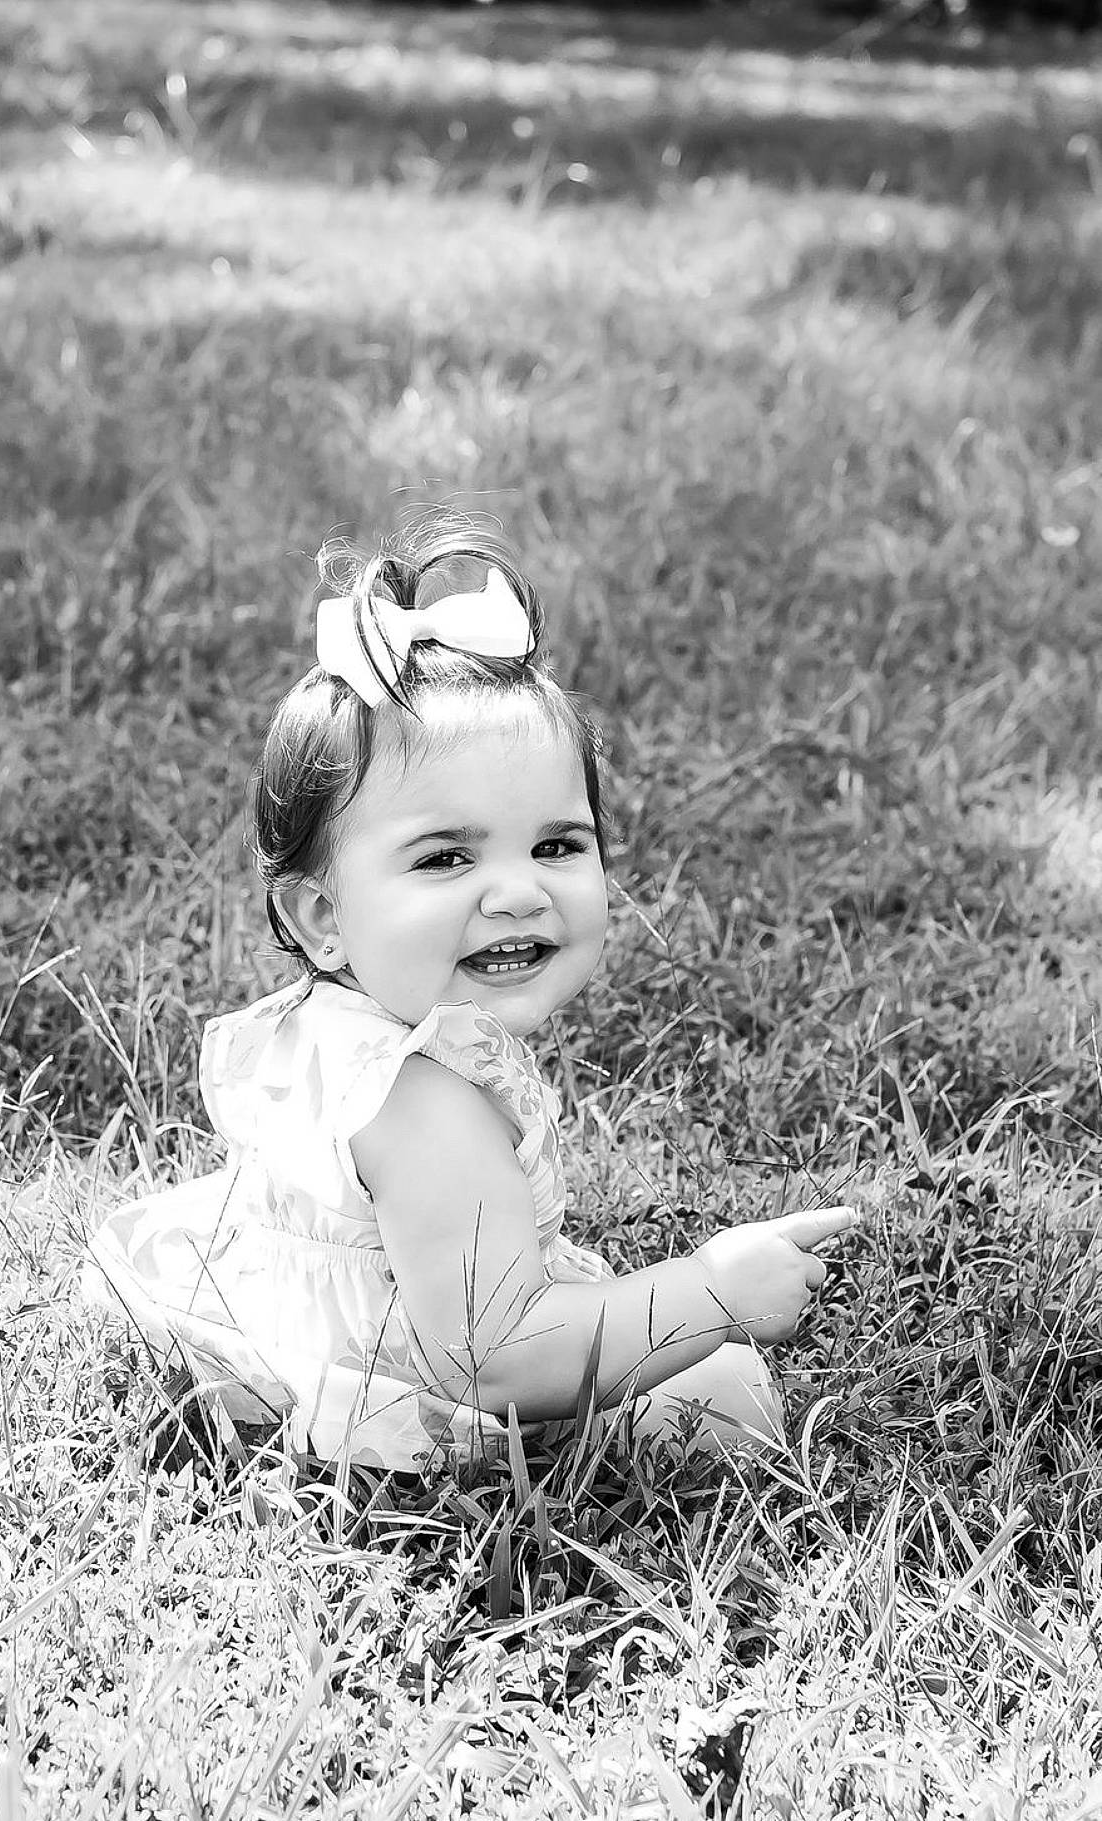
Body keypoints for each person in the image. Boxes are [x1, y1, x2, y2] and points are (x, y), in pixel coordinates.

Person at [83, 520, 857, 1472]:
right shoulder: (428, 1104)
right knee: (728, 1393)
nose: (518, 890)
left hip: (321, 1302)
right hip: (401, 1386)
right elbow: (495, 1360)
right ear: (324, 915)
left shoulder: (356, 1025)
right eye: (447, 856)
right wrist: (710, 1291)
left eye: (557, 845)